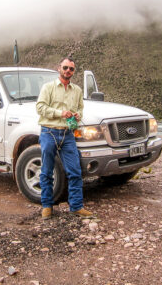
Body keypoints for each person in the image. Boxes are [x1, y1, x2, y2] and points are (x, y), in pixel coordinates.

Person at [36, 56, 94, 220]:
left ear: (73, 72)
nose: (68, 71)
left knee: (75, 171)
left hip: (68, 134)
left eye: (71, 69)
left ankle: (76, 206)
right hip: (49, 132)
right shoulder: (48, 87)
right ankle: (47, 206)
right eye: (65, 67)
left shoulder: (77, 90)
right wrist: (60, 113)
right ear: (59, 68)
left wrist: (77, 115)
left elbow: (81, 109)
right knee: (47, 171)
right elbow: (40, 107)